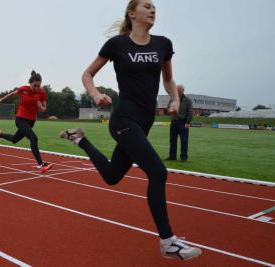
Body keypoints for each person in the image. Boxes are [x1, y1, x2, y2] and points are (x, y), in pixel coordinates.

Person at [59, 0, 201, 260]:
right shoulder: (117, 45)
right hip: (123, 118)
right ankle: (168, 242)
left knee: (112, 176)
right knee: (158, 172)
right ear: (132, 13)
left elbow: (168, 79)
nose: (152, 9)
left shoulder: (163, 44)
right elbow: (87, 74)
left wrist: (176, 99)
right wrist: (95, 93)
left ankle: (79, 139)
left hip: (143, 121)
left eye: (154, 7)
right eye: (147, 6)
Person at [0, 70, 52, 173]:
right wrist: (0, 100)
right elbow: (12, 94)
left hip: (31, 121)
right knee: (34, 138)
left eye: (39, 85)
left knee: (14, 139)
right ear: (30, 83)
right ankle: (41, 164)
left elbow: (44, 108)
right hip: (20, 119)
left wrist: (41, 107)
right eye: (35, 86)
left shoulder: (42, 92)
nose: (37, 88)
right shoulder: (24, 89)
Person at [166, 85, 193, 162]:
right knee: (172, 140)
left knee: (184, 141)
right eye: (176, 89)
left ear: (182, 91)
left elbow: (190, 112)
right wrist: (169, 110)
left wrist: (188, 122)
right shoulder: (172, 99)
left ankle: (184, 157)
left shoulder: (188, 100)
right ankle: (172, 156)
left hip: (183, 123)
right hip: (173, 122)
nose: (176, 91)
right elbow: (168, 108)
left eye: (178, 90)